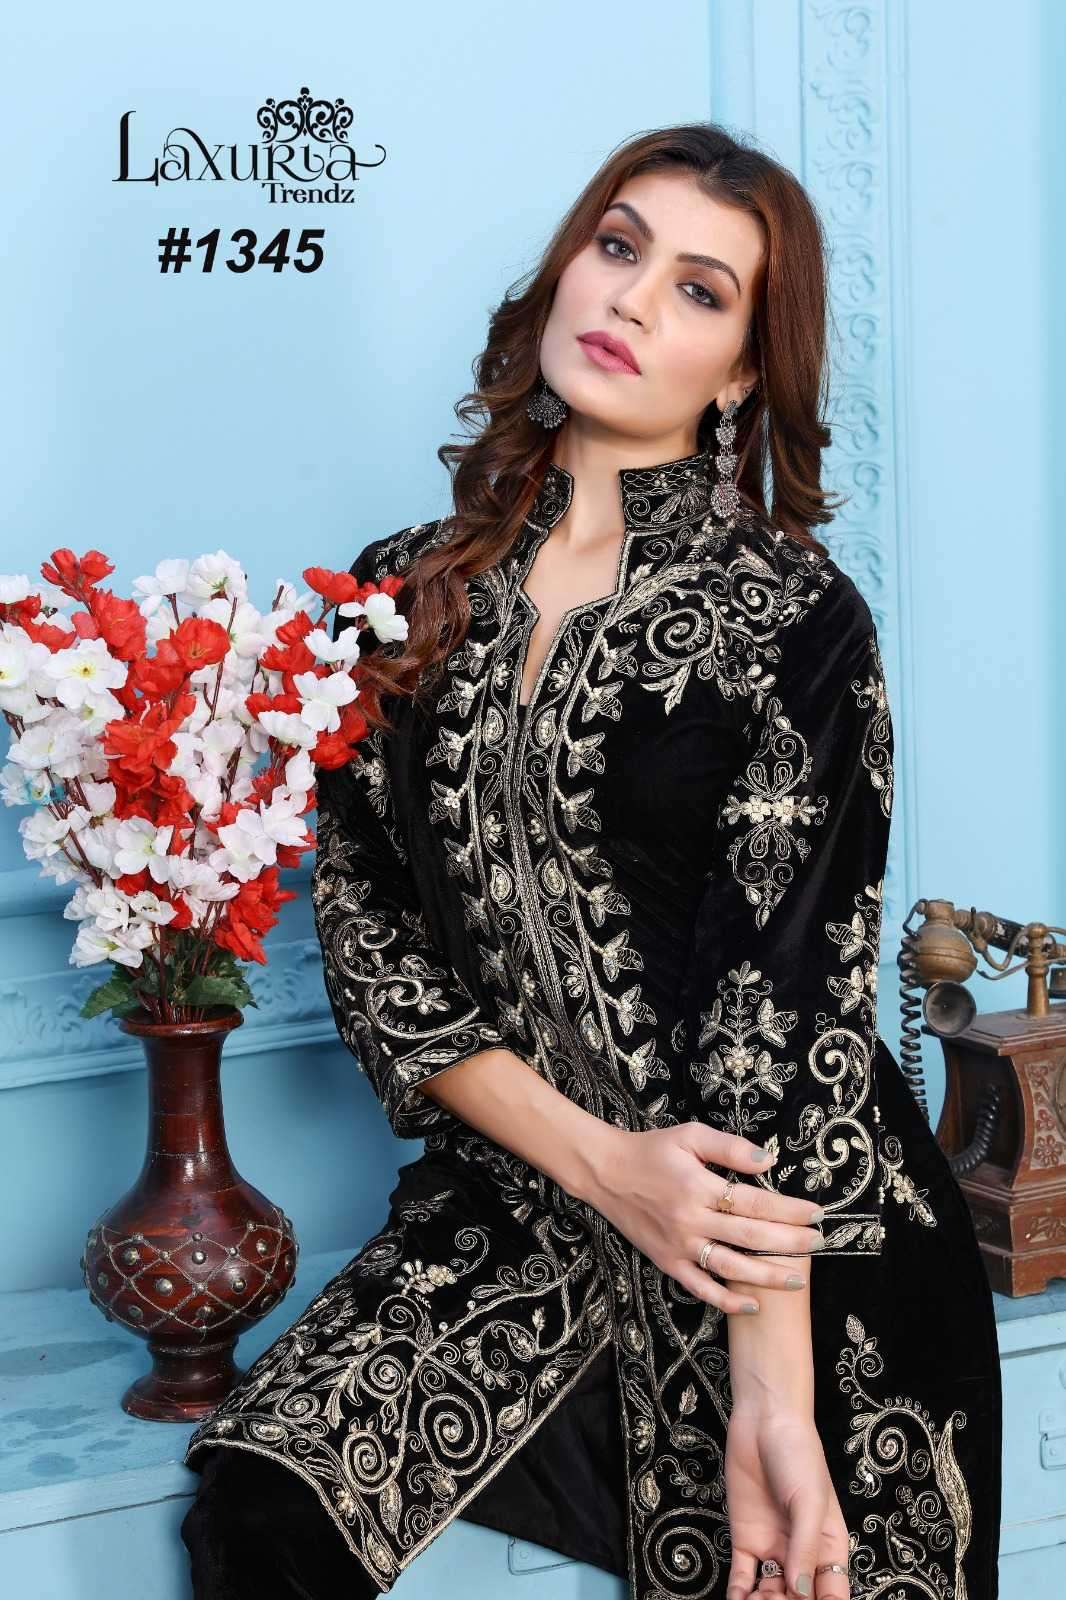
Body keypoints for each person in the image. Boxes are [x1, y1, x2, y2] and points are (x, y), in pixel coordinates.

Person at [180, 122, 1003, 1600]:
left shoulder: (790, 617)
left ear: (741, 370)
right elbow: (377, 955)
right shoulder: (397, 596)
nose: (629, 298)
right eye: (617, 248)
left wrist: (772, 1400)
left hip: (794, 1243)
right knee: (262, 1511)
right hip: (519, 1206)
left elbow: (783, 1018)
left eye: (699, 289)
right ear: (565, 269)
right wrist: (608, 1168)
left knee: (798, 1555)